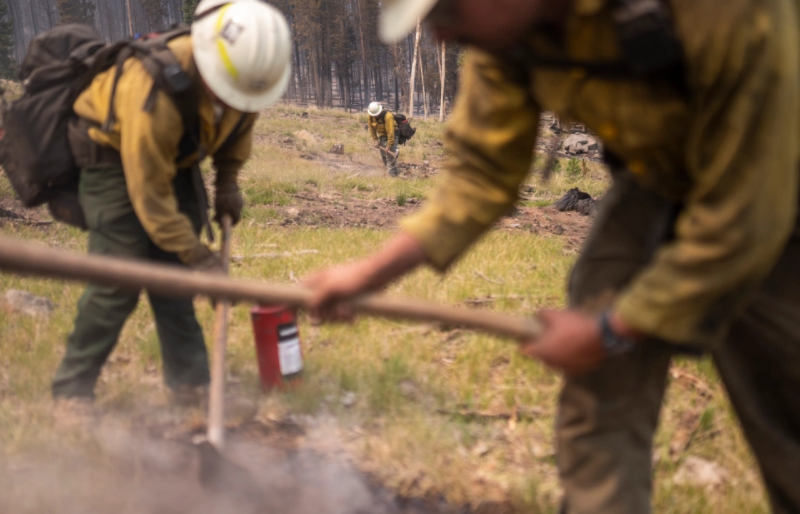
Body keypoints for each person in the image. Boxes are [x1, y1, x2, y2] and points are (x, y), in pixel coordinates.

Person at [306, 0, 800, 512]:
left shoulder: (725, 11)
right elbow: (480, 174)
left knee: (785, 402)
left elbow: (742, 215)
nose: (442, 39)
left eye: (446, 12)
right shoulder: (503, 33)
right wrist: (369, 274)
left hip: (775, 183)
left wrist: (608, 329)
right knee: (598, 397)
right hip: (655, 180)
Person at [51, 0, 291, 409]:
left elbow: (239, 124)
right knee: (119, 278)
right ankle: (71, 391)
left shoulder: (248, 78)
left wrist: (228, 181)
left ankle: (190, 387)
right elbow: (151, 196)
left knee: (175, 278)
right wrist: (200, 258)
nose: (237, 100)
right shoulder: (153, 88)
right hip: (111, 155)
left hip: (177, 154)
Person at [367, 101, 399, 177]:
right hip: (382, 136)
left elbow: (390, 132)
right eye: (374, 115)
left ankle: (392, 175)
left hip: (393, 135)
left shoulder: (388, 116)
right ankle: (392, 171)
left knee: (390, 157)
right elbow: (371, 128)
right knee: (384, 156)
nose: (375, 116)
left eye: (377, 114)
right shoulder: (370, 116)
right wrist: (375, 140)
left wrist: (389, 145)